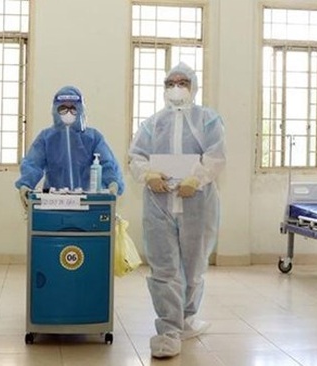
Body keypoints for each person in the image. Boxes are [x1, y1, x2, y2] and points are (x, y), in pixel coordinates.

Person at [128, 62, 226, 358]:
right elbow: (136, 155)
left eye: (182, 82)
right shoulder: (152, 123)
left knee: (194, 264)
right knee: (164, 266)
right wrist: (148, 175)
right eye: (171, 82)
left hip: (198, 201)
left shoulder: (208, 120)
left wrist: (197, 178)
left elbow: (216, 154)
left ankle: (187, 318)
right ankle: (169, 330)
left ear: (193, 86)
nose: (176, 87)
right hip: (159, 202)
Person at [15, 85, 125, 207]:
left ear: (80, 110)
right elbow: (33, 163)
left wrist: (112, 183)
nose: (68, 113)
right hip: (55, 202)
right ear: (55, 109)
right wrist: (26, 184)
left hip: (88, 202)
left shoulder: (93, 137)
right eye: (63, 108)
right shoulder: (46, 138)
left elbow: (106, 162)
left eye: (73, 108)